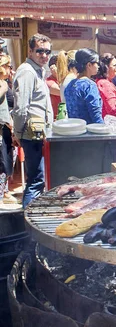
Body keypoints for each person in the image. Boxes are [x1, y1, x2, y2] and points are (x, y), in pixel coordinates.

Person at [12, 34, 54, 207]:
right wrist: (19, 134)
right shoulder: (27, 71)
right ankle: (27, 221)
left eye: (47, 51)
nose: (44, 55)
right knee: (36, 180)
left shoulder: (37, 71)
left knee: (37, 179)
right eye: (40, 51)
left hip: (36, 133)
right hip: (30, 134)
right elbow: (21, 107)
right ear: (30, 51)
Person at [64, 48, 103, 124]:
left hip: (74, 129)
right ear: (89, 65)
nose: (98, 66)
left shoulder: (70, 84)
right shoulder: (89, 85)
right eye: (97, 63)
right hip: (89, 131)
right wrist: (103, 129)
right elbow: (95, 114)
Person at [0, 55, 16, 204]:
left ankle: (4, 191)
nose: (9, 69)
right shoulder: (2, 84)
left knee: (8, 160)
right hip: (2, 127)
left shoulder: (5, 82)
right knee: (2, 162)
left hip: (6, 127)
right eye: (7, 66)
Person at [96, 54, 116, 119]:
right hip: (113, 126)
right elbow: (113, 109)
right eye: (114, 65)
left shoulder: (107, 82)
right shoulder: (104, 84)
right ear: (106, 67)